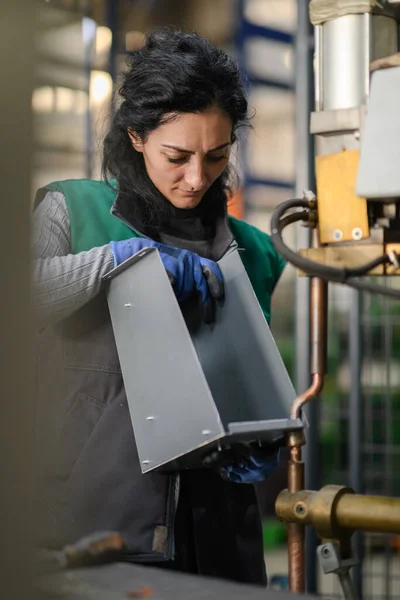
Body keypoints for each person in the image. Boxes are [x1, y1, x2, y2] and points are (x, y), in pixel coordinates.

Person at [32, 28, 286, 586]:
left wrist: (265, 438)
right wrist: (123, 260)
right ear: (137, 136)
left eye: (216, 156)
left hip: (220, 540)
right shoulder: (71, 210)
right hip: (94, 530)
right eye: (178, 156)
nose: (197, 178)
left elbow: (255, 380)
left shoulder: (254, 250)